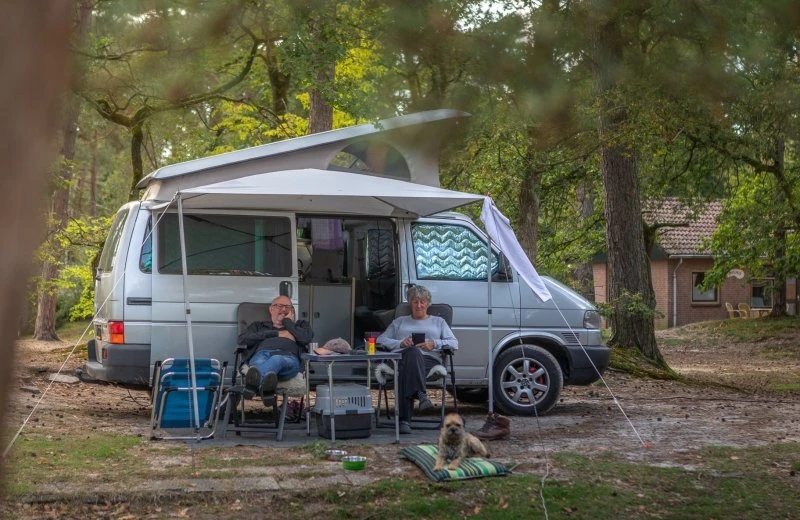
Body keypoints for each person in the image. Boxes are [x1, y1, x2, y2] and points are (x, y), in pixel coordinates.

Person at [377, 285, 458, 434]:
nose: (419, 305)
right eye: (415, 301)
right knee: (412, 353)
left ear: (428, 304)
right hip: (399, 359)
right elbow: (381, 340)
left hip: (428, 361)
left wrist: (433, 344)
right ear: (410, 303)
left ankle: (404, 421)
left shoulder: (439, 322)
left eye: (422, 301)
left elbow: (454, 343)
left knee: (409, 363)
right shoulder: (400, 321)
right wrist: (400, 343)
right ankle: (421, 395)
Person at [237, 295, 313, 400]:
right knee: (257, 366)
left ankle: (252, 387)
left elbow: (306, 338)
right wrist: (276, 333)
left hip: (288, 358)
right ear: (271, 309)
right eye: (279, 306)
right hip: (262, 355)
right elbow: (242, 339)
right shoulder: (258, 326)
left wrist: (288, 322)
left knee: (276, 359)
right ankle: (266, 391)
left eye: (288, 307)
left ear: (292, 311)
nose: (284, 309)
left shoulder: (300, 325)